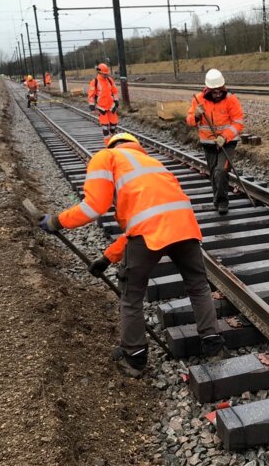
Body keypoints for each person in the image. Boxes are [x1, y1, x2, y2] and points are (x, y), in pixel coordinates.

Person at [36, 133, 225, 376]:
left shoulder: (106, 157)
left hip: (148, 235)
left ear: (112, 145)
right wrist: (107, 258)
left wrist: (56, 221)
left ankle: (134, 358)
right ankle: (213, 346)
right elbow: (146, 219)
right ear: (134, 145)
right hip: (185, 228)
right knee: (198, 287)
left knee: (131, 295)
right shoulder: (152, 162)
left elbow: (94, 207)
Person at [186, 69, 244, 215]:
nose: (218, 94)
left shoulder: (231, 99)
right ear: (208, 89)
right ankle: (217, 199)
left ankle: (222, 202)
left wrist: (224, 137)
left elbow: (238, 123)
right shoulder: (198, 100)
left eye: (220, 91)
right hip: (208, 143)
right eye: (215, 91)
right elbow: (190, 121)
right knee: (213, 173)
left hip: (228, 142)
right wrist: (197, 115)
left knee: (221, 171)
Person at [88, 63, 119, 138]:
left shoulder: (110, 80)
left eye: (106, 74)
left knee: (114, 124)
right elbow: (91, 96)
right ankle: (108, 144)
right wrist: (92, 107)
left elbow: (115, 91)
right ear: (99, 73)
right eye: (104, 74)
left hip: (111, 107)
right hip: (102, 108)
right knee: (105, 127)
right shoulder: (95, 82)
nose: (106, 75)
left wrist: (116, 101)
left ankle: (112, 138)